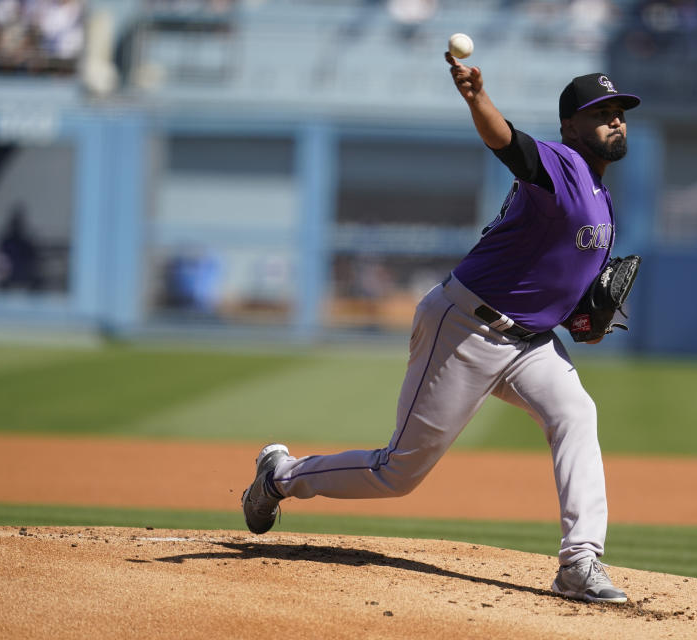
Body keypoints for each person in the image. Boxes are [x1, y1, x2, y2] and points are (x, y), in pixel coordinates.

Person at [241, 54, 641, 604]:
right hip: (466, 328)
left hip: (529, 342)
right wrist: (477, 98)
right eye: (601, 112)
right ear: (571, 126)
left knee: (577, 413)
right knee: (398, 474)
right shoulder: (559, 164)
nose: (616, 119)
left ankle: (579, 562)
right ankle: (281, 475)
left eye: (619, 110)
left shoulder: (603, 198)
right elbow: (509, 145)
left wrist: (581, 322)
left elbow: (565, 290)